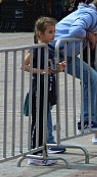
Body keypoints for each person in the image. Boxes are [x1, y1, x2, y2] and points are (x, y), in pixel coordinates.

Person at [54, 0, 97, 143]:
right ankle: (46, 143)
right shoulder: (90, 14)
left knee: (92, 77)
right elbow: (75, 30)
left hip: (65, 55)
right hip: (52, 52)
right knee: (46, 100)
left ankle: (86, 121)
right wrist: (89, 35)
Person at [23, 17, 68, 165]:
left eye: (54, 31)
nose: (53, 35)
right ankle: (35, 154)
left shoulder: (49, 48)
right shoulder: (37, 48)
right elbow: (25, 65)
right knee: (37, 121)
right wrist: (40, 71)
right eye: (50, 32)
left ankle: (41, 151)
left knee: (43, 120)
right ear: (41, 34)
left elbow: (50, 70)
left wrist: (58, 68)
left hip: (48, 88)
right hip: (38, 88)